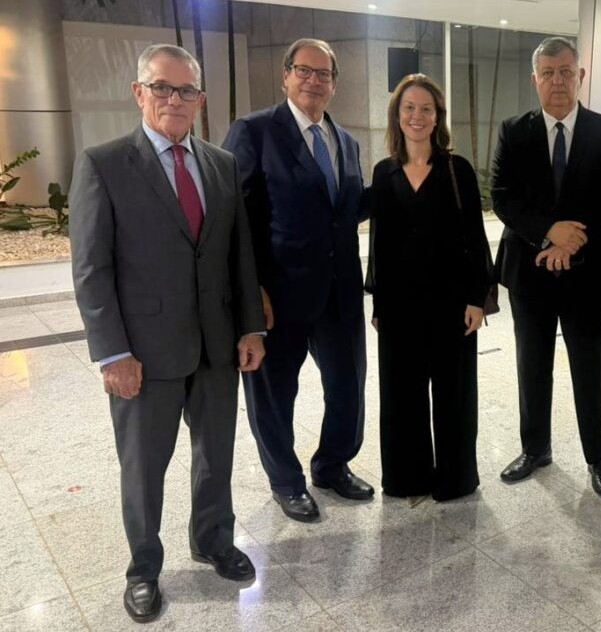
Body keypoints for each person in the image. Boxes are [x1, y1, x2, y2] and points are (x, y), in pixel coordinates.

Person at [69, 44, 266, 623]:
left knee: (216, 455)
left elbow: (239, 256)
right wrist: (113, 353)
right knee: (143, 467)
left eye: (186, 90)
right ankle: (143, 569)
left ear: (200, 100)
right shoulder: (104, 164)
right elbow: (91, 269)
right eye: (162, 87)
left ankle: (213, 539)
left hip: (216, 345)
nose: (174, 99)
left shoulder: (221, 163)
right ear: (139, 92)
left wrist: (250, 327)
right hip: (143, 354)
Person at [222, 38, 373, 523]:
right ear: (285, 75)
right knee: (274, 394)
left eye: (323, 73)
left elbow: (344, 212)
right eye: (303, 70)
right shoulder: (254, 132)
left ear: (334, 84)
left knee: (347, 386)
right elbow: (234, 218)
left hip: (339, 292)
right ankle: (286, 481)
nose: (313, 80)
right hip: (278, 295)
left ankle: (332, 465)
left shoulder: (345, 141)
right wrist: (251, 291)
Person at [490, 36, 601, 496]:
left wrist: (571, 242)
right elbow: (502, 196)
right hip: (529, 269)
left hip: (589, 271)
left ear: (580, 76)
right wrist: (548, 233)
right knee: (532, 363)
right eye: (548, 73)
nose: (558, 81)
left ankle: (599, 456)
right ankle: (535, 449)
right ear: (535, 80)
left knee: (592, 365)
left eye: (566, 71)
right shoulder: (514, 130)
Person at [366, 74, 490, 501]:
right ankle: (407, 477)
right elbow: (379, 245)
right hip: (399, 306)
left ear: (437, 117)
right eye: (409, 108)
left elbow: (476, 239)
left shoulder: (457, 170)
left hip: (452, 303)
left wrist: (477, 299)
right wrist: (378, 305)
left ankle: (456, 479)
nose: (416, 116)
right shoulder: (384, 173)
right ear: (397, 116)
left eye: (425, 109)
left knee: (454, 394)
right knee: (402, 395)